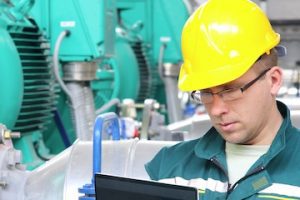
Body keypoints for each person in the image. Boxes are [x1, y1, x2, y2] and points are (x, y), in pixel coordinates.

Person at [145, 0, 300, 199]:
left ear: (274, 80)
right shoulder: (169, 169)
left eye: (231, 90)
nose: (217, 109)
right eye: (206, 92)